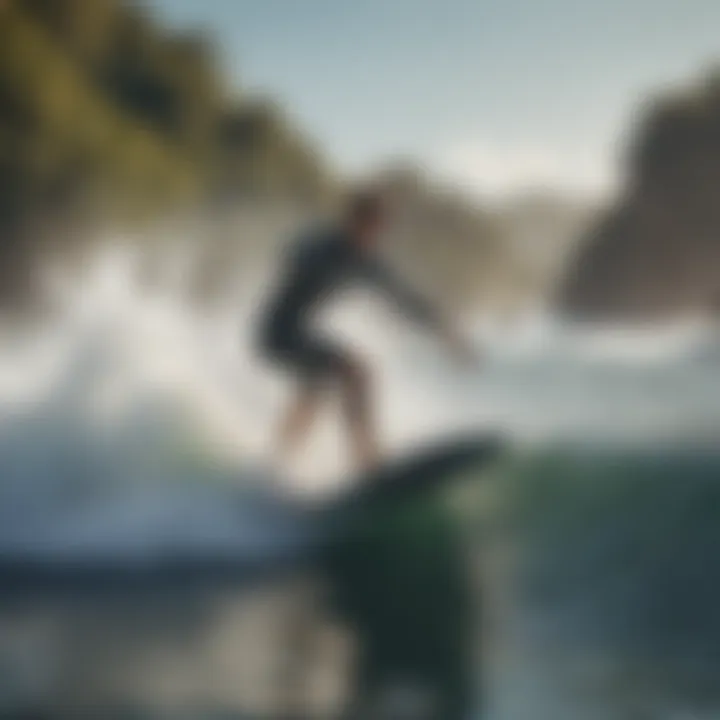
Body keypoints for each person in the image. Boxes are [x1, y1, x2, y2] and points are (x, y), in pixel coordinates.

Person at [257, 189, 477, 473]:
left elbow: (405, 300)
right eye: (370, 225)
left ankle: (275, 463)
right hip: (277, 331)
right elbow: (292, 251)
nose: (374, 234)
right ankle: (367, 462)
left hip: (297, 333)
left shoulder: (365, 261)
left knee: (316, 388)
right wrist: (299, 258)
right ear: (353, 220)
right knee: (355, 372)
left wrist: (447, 333)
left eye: (378, 228)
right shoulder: (322, 246)